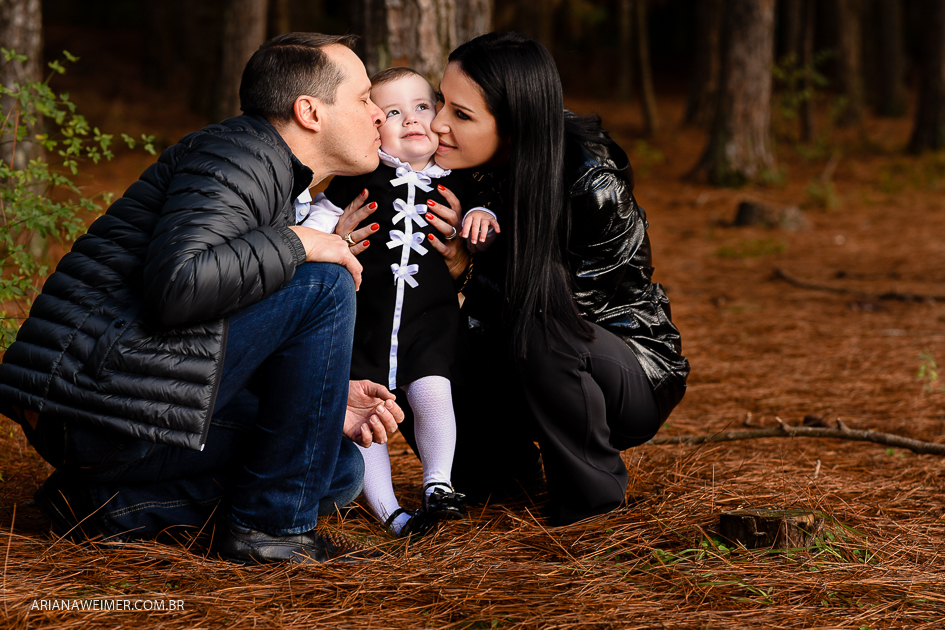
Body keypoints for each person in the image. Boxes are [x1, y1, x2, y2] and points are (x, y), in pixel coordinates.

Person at [0, 33, 405, 564]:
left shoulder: (271, 173)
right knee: (324, 283)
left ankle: (101, 507)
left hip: (118, 399)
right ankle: (270, 535)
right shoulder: (239, 156)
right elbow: (180, 285)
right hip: (93, 409)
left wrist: (319, 396)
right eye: (364, 98)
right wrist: (298, 243)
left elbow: (215, 320)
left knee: (336, 467)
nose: (378, 114)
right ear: (309, 111)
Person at [420, 32, 691, 525]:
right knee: (411, 341)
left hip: (625, 368)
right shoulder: (455, 168)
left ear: (514, 125)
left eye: (461, 114)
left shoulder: (591, 183)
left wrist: (473, 267)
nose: (438, 123)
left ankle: (591, 505)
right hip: (521, 361)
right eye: (441, 101)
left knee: (543, 330)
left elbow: (568, 310)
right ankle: (498, 473)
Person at [296, 67, 497, 538]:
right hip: (364, 322)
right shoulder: (361, 178)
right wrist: (317, 237)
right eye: (392, 112)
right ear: (374, 127)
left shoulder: (457, 180)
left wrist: (481, 215)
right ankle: (391, 514)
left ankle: (439, 483)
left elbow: (484, 207)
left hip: (431, 322)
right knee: (369, 417)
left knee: (433, 391)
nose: (411, 119)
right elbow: (320, 214)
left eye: (422, 107)